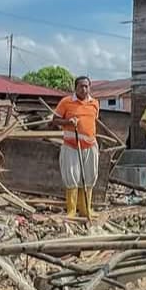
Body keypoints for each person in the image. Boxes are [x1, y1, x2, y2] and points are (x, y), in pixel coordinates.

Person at [51, 76, 100, 218]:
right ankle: (72, 211)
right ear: (75, 88)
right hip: (72, 145)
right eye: (81, 86)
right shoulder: (66, 102)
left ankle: (86, 209)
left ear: (90, 88)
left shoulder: (95, 103)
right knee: (72, 176)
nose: (84, 89)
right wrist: (67, 121)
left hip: (90, 145)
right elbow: (54, 121)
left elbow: (94, 121)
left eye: (86, 86)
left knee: (90, 176)